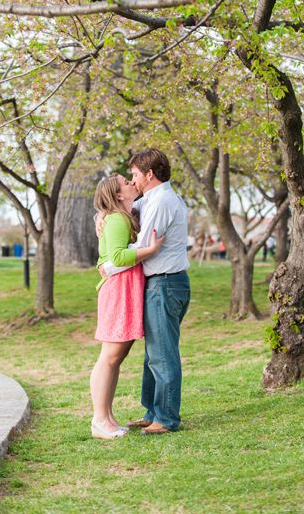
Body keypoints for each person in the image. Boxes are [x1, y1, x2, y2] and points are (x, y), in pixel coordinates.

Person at [89, 174, 164, 439]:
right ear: (119, 194)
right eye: (125, 181)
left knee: (115, 358)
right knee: (109, 357)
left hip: (125, 289)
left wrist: (100, 215)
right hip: (118, 290)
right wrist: (151, 249)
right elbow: (118, 257)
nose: (132, 182)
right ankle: (99, 420)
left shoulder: (122, 215)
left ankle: (107, 418)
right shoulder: (118, 218)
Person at [125, 149, 191, 435]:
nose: (133, 179)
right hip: (163, 283)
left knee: (163, 354)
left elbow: (142, 246)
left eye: (135, 174)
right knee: (154, 354)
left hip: (164, 283)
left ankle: (165, 418)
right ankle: (153, 412)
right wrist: (99, 218)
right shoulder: (152, 200)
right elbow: (122, 211)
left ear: (149, 174)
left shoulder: (161, 201)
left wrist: (113, 257)